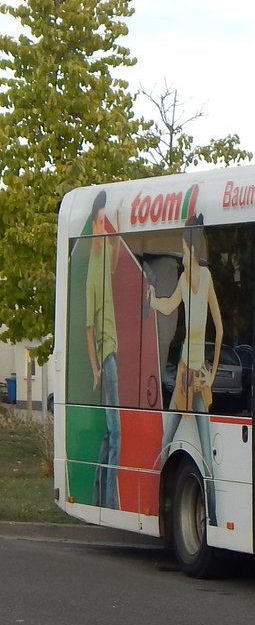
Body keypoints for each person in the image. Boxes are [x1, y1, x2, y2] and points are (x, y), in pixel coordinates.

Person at [151, 214, 223, 524]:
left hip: (198, 375)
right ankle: (153, 505)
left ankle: (215, 517)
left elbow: (219, 329)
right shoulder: (183, 280)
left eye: (183, 248)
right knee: (166, 442)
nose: (182, 255)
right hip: (183, 373)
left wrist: (214, 373)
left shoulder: (205, 278)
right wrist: (153, 300)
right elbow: (169, 306)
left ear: (192, 249)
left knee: (207, 455)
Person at [85, 190, 121, 509]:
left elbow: (117, 260)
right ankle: (109, 502)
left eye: (105, 220)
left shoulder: (106, 253)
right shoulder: (91, 273)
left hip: (114, 346)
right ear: (93, 226)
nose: (104, 225)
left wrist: (119, 231)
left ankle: (98, 494)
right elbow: (87, 329)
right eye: (101, 221)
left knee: (110, 433)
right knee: (117, 430)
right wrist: (95, 367)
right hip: (105, 352)